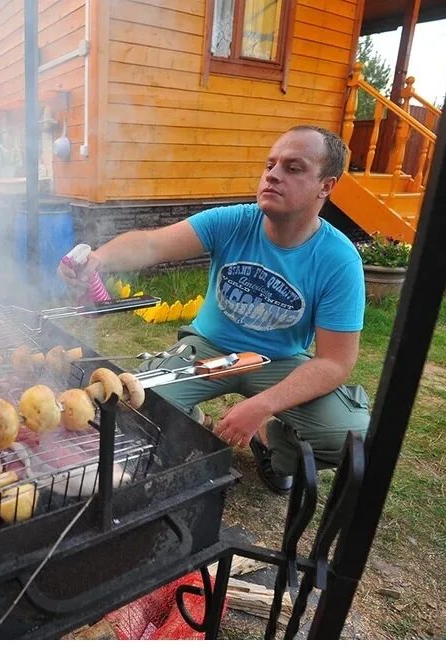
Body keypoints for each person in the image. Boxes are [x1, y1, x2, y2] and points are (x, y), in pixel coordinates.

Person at [58, 125, 370, 494]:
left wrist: (262, 407)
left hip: (278, 362)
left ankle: (271, 441)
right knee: (132, 405)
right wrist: (99, 258)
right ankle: (189, 420)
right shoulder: (234, 221)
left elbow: (335, 362)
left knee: (350, 434)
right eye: (270, 164)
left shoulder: (339, 259)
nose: (273, 174)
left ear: (326, 185)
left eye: (294, 167)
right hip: (207, 349)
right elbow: (152, 245)